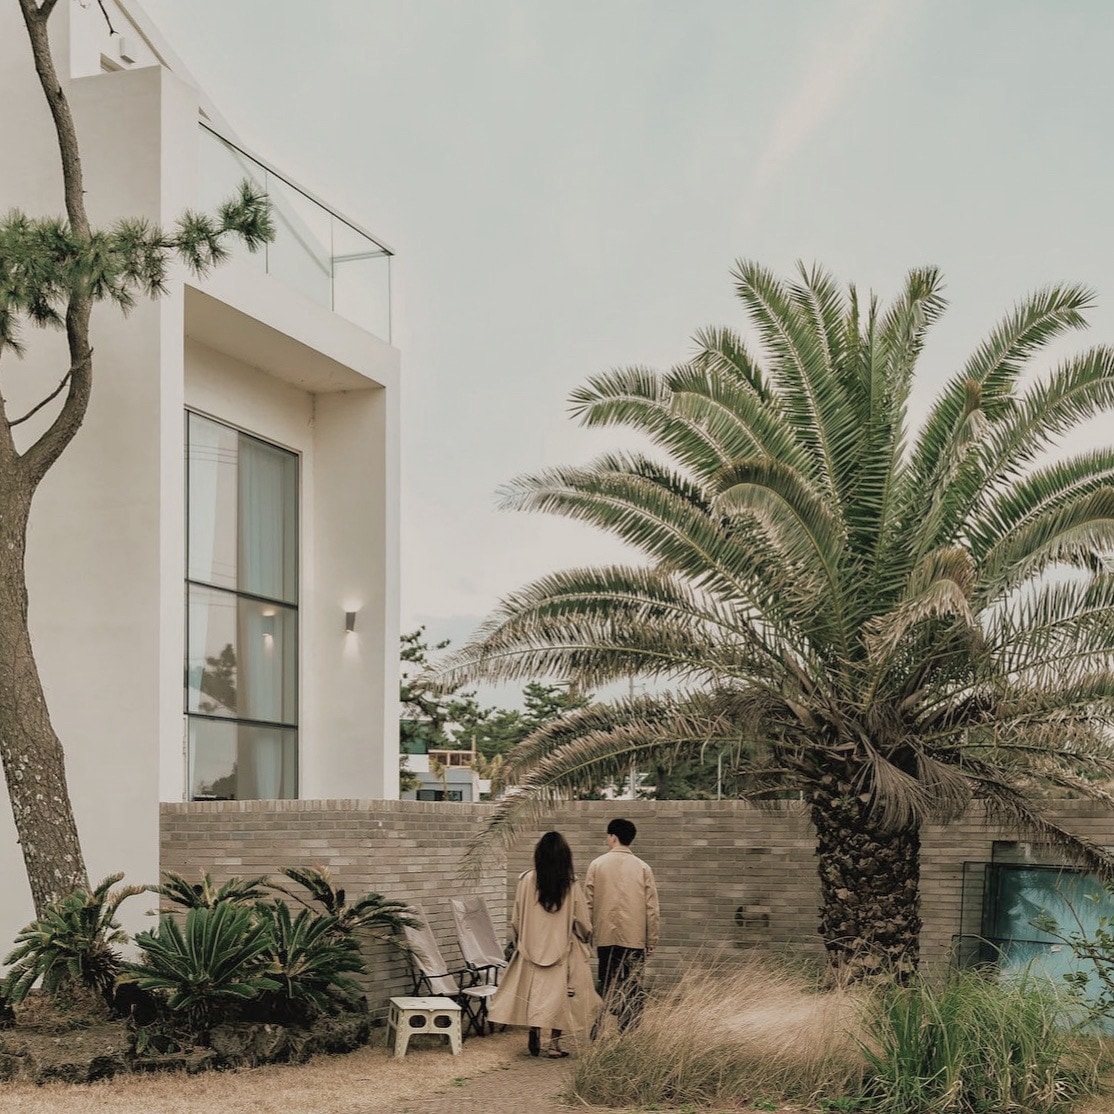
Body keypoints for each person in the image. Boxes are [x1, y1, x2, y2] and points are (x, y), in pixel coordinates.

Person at [488, 830, 601, 1058]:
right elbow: (581, 921)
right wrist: (585, 936)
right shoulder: (570, 884)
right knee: (560, 998)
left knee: (535, 993)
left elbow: (516, 918)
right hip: (562, 950)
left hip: (531, 949)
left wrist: (521, 939)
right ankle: (554, 1045)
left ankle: (535, 1030)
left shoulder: (526, 880)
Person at [584, 817, 659, 1032]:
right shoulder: (643, 868)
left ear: (613, 837)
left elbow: (587, 903)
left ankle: (598, 1027)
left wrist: (587, 934)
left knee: (606, 982)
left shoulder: (597, 865)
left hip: (605, 937)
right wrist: (651, 939)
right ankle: (628, 1030)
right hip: (635, 938)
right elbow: (652, 908)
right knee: (633, 984)